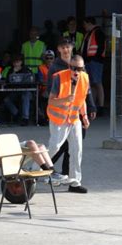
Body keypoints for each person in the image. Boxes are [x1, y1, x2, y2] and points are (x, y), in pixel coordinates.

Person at [0, 108, 67, 182]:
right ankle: (49, 172)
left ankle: (52, 172)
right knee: (31, 143)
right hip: (4, 151)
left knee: (41, 146)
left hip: (5, 149)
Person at [47, 38, 96, 177]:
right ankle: (42, 167)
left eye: (67, 47)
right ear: (58, 49)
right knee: (57, 146)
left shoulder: (80, 64)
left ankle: (70, 177)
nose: (65, 50)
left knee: (75, 148)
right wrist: (63, 100)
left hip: (75, 114)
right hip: (60, 114)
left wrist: (90, 109)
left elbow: (85, 90)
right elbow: (50, 93)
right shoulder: (55, 68)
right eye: (62, 47)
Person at [81, 16, 106, 116]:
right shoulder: (89, 33)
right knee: (92, 84)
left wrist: (96, 58)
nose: (84, 26)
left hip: (95, 61)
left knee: (97, 83)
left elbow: (101, 47)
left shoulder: (98, 32)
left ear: (89, 23)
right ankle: (94, 106)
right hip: (89, 61)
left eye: (84, 24)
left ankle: (101, 106)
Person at [3, 54, 33, 126]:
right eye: (14, 62)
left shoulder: (26, 70)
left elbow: (30, 82)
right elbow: (7, 81)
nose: (16, 63)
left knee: (25, 97)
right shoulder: (10, 70)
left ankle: (25, 118)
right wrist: (14, 72)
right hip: (14, 91)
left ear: (21, 62)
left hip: (26, 91)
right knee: (6, 100)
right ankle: (17, 114)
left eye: (18, 62)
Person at [38, 50, 56, 125]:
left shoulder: (57, 67)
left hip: (55, 90)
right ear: (44, 59)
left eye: (51, 58)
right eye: (47, 58)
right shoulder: (41, 67)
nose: (49, 60)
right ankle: (45, 118)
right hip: (44, 90)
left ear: (54, 59)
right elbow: (41, 80)